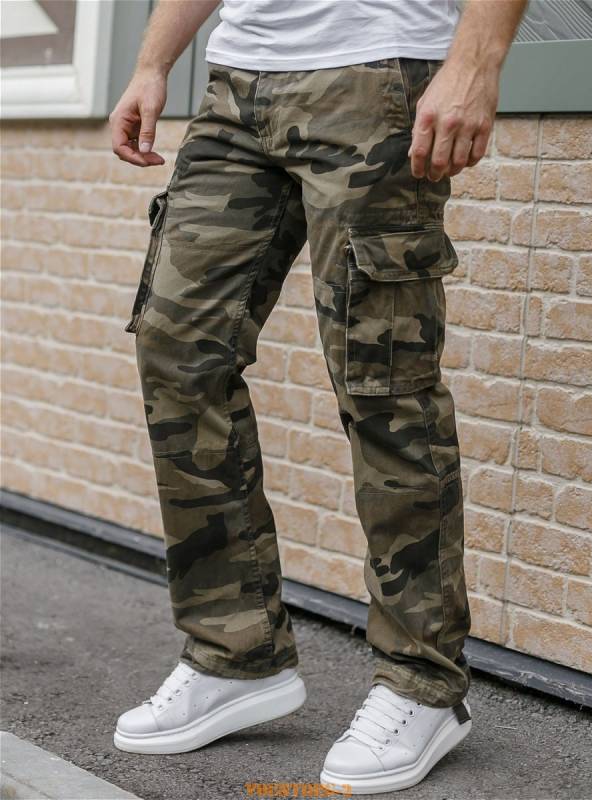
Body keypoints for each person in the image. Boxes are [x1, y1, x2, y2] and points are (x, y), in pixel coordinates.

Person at [109, 0, 526, 793]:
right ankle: (234, 653)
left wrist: (474, 63)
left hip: (377, 71)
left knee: (385, 382)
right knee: (177, 349)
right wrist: (153, 63)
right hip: (238, 85)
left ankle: (422, 682)